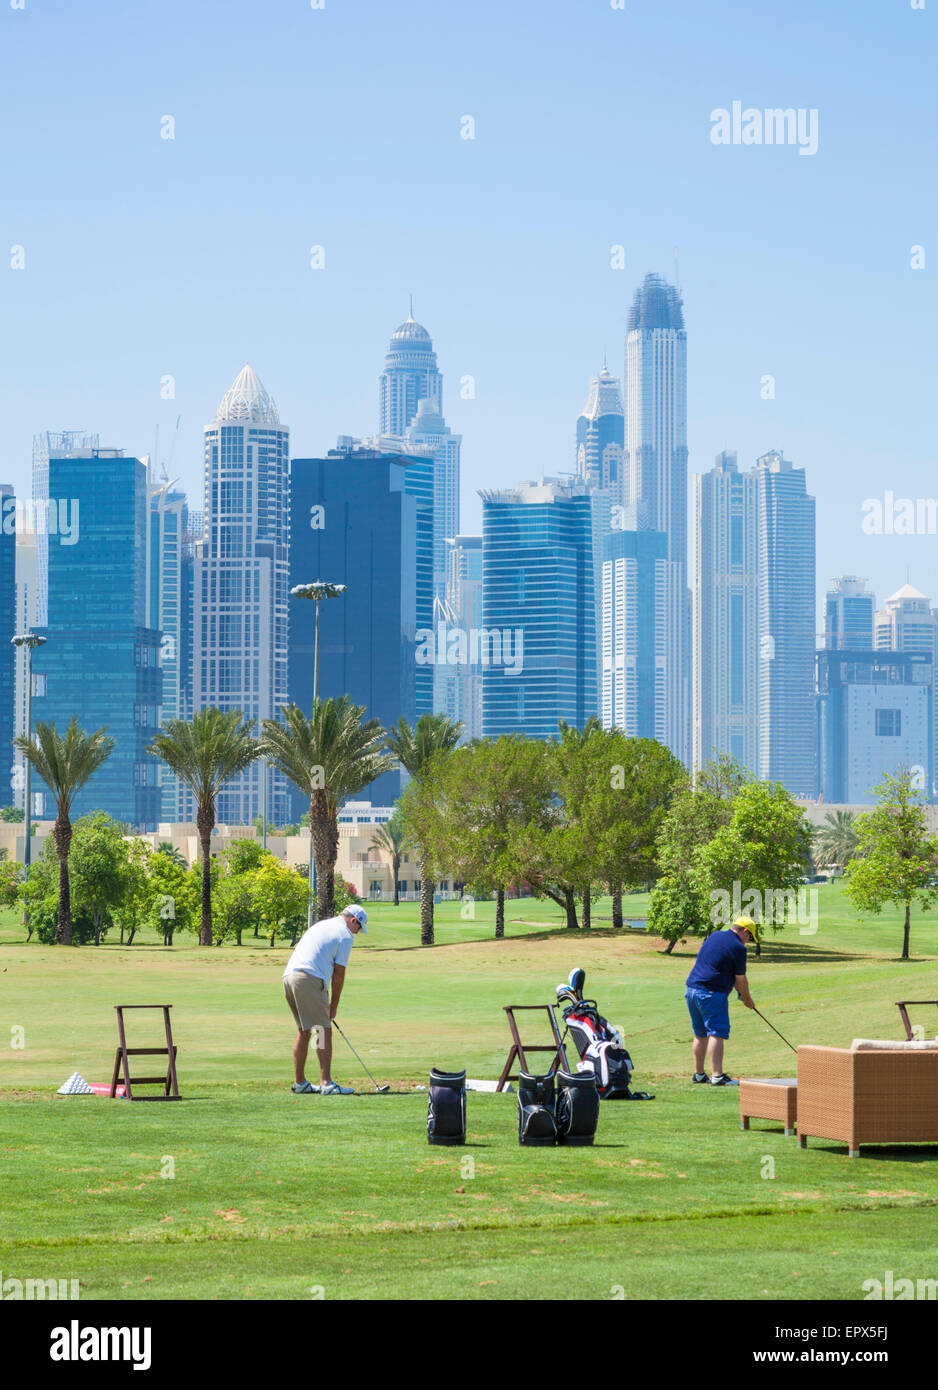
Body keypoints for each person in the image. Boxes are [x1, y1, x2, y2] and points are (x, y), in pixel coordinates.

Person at [283, 903, 368, 1095]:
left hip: (289, 977)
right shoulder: (344, 935)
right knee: (322, 1031)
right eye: (358, 928)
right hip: (309, 978)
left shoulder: (322, 925)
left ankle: (300, 1083)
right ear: (353, 921)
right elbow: (339, 973)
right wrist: (334, 1005)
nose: (357, 932)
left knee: (305, 1031)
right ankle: (326, 1083)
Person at [684, 914, 757, 1086]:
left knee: (700, 1034)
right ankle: (717, 1076)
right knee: (716, 1033)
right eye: (750, 937)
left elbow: (721, 966)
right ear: (745, 931)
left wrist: (740, 992)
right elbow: (740, 979)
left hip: (691, 989)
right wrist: (747, 1000)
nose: (748, 941)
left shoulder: (715, 935)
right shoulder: (739, 948)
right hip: (711, 993)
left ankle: (699, 1074)